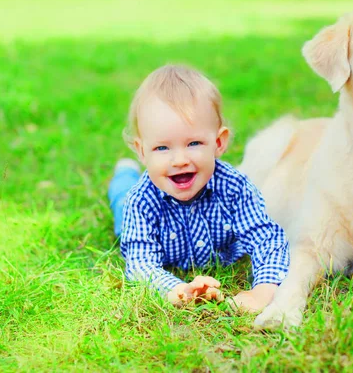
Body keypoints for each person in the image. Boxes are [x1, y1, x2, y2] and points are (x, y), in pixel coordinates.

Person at [108, 64, 289, 312]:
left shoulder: (235, 188)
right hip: (131, 204)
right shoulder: (140, 202)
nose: (179, 160)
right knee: (121, 197)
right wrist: (177, 289)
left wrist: (262, 290)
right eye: (162, 148)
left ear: (218, 143)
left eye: (193, 143)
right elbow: (141, 263)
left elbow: (267, 240)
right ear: (142, 151)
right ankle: (125, 172)